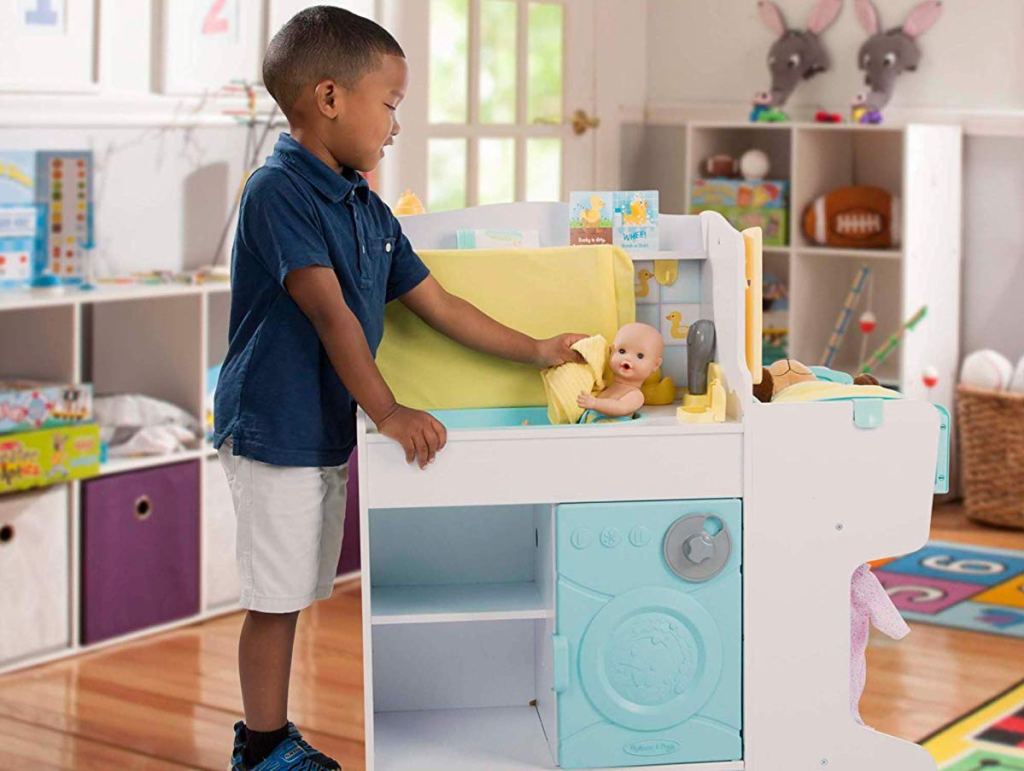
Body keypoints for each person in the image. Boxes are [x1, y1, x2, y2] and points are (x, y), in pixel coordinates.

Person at [213, 7, 584, 769]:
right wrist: (386, 409)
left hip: (317, 428)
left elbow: (438, 304)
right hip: (273, 424)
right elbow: (330, 314)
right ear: (329, 99)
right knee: (276, 599)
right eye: (390, 104)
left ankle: (272, 737)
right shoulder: (277, 191)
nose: (395, 125)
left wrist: (537, 350)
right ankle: (261, 747)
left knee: (298, 588)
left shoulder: (367, 208)